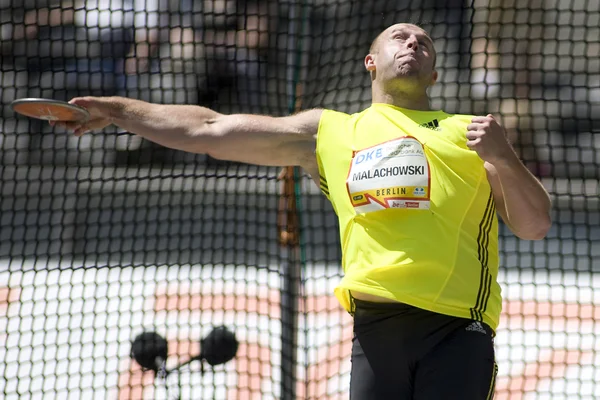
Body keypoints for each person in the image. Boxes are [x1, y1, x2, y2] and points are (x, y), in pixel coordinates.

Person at [54, 23, 552, 400]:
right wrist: (119, 110)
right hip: (375, 332)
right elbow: (210, 129)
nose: (411, 44)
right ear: (370, 62)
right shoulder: (329, 131)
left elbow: (535, 225)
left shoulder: (469, 133)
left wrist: (504, 156)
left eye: (423, 42)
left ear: (435, 73)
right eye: (398, 38)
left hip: (456, 330)